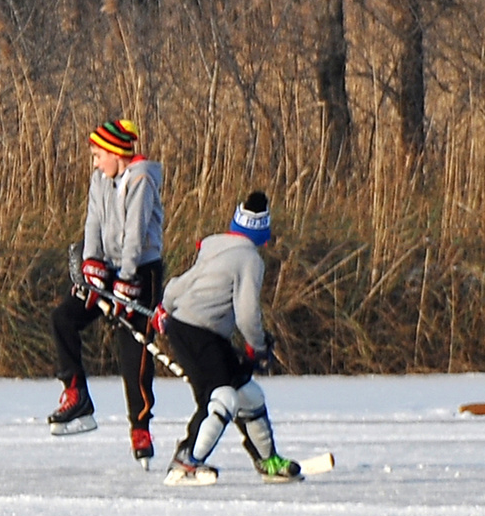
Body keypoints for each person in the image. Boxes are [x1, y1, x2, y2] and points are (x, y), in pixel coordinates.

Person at [153, 191, 300, 486]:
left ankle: (268, 460)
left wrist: (164, 306)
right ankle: (187, 460)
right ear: (263, 234)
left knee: (248, 394)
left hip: (195, 328)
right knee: (221, 397)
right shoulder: (250, 259)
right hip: (198, 332)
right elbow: (247, 314)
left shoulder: (214, 247)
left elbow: (183, 283)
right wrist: (258, 347)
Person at [48, 118, 166, 462]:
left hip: (141, 271)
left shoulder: (141, 179)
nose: (96, 162)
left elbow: (136, 233)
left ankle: (140, 427)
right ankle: (76, 394)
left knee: (134, 352)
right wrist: (92, 265)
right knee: (63, 318)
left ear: (117, 153)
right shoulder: (100, 179)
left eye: (100, 154)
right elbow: (93, 222)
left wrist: (127, 281)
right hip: (108, 268)